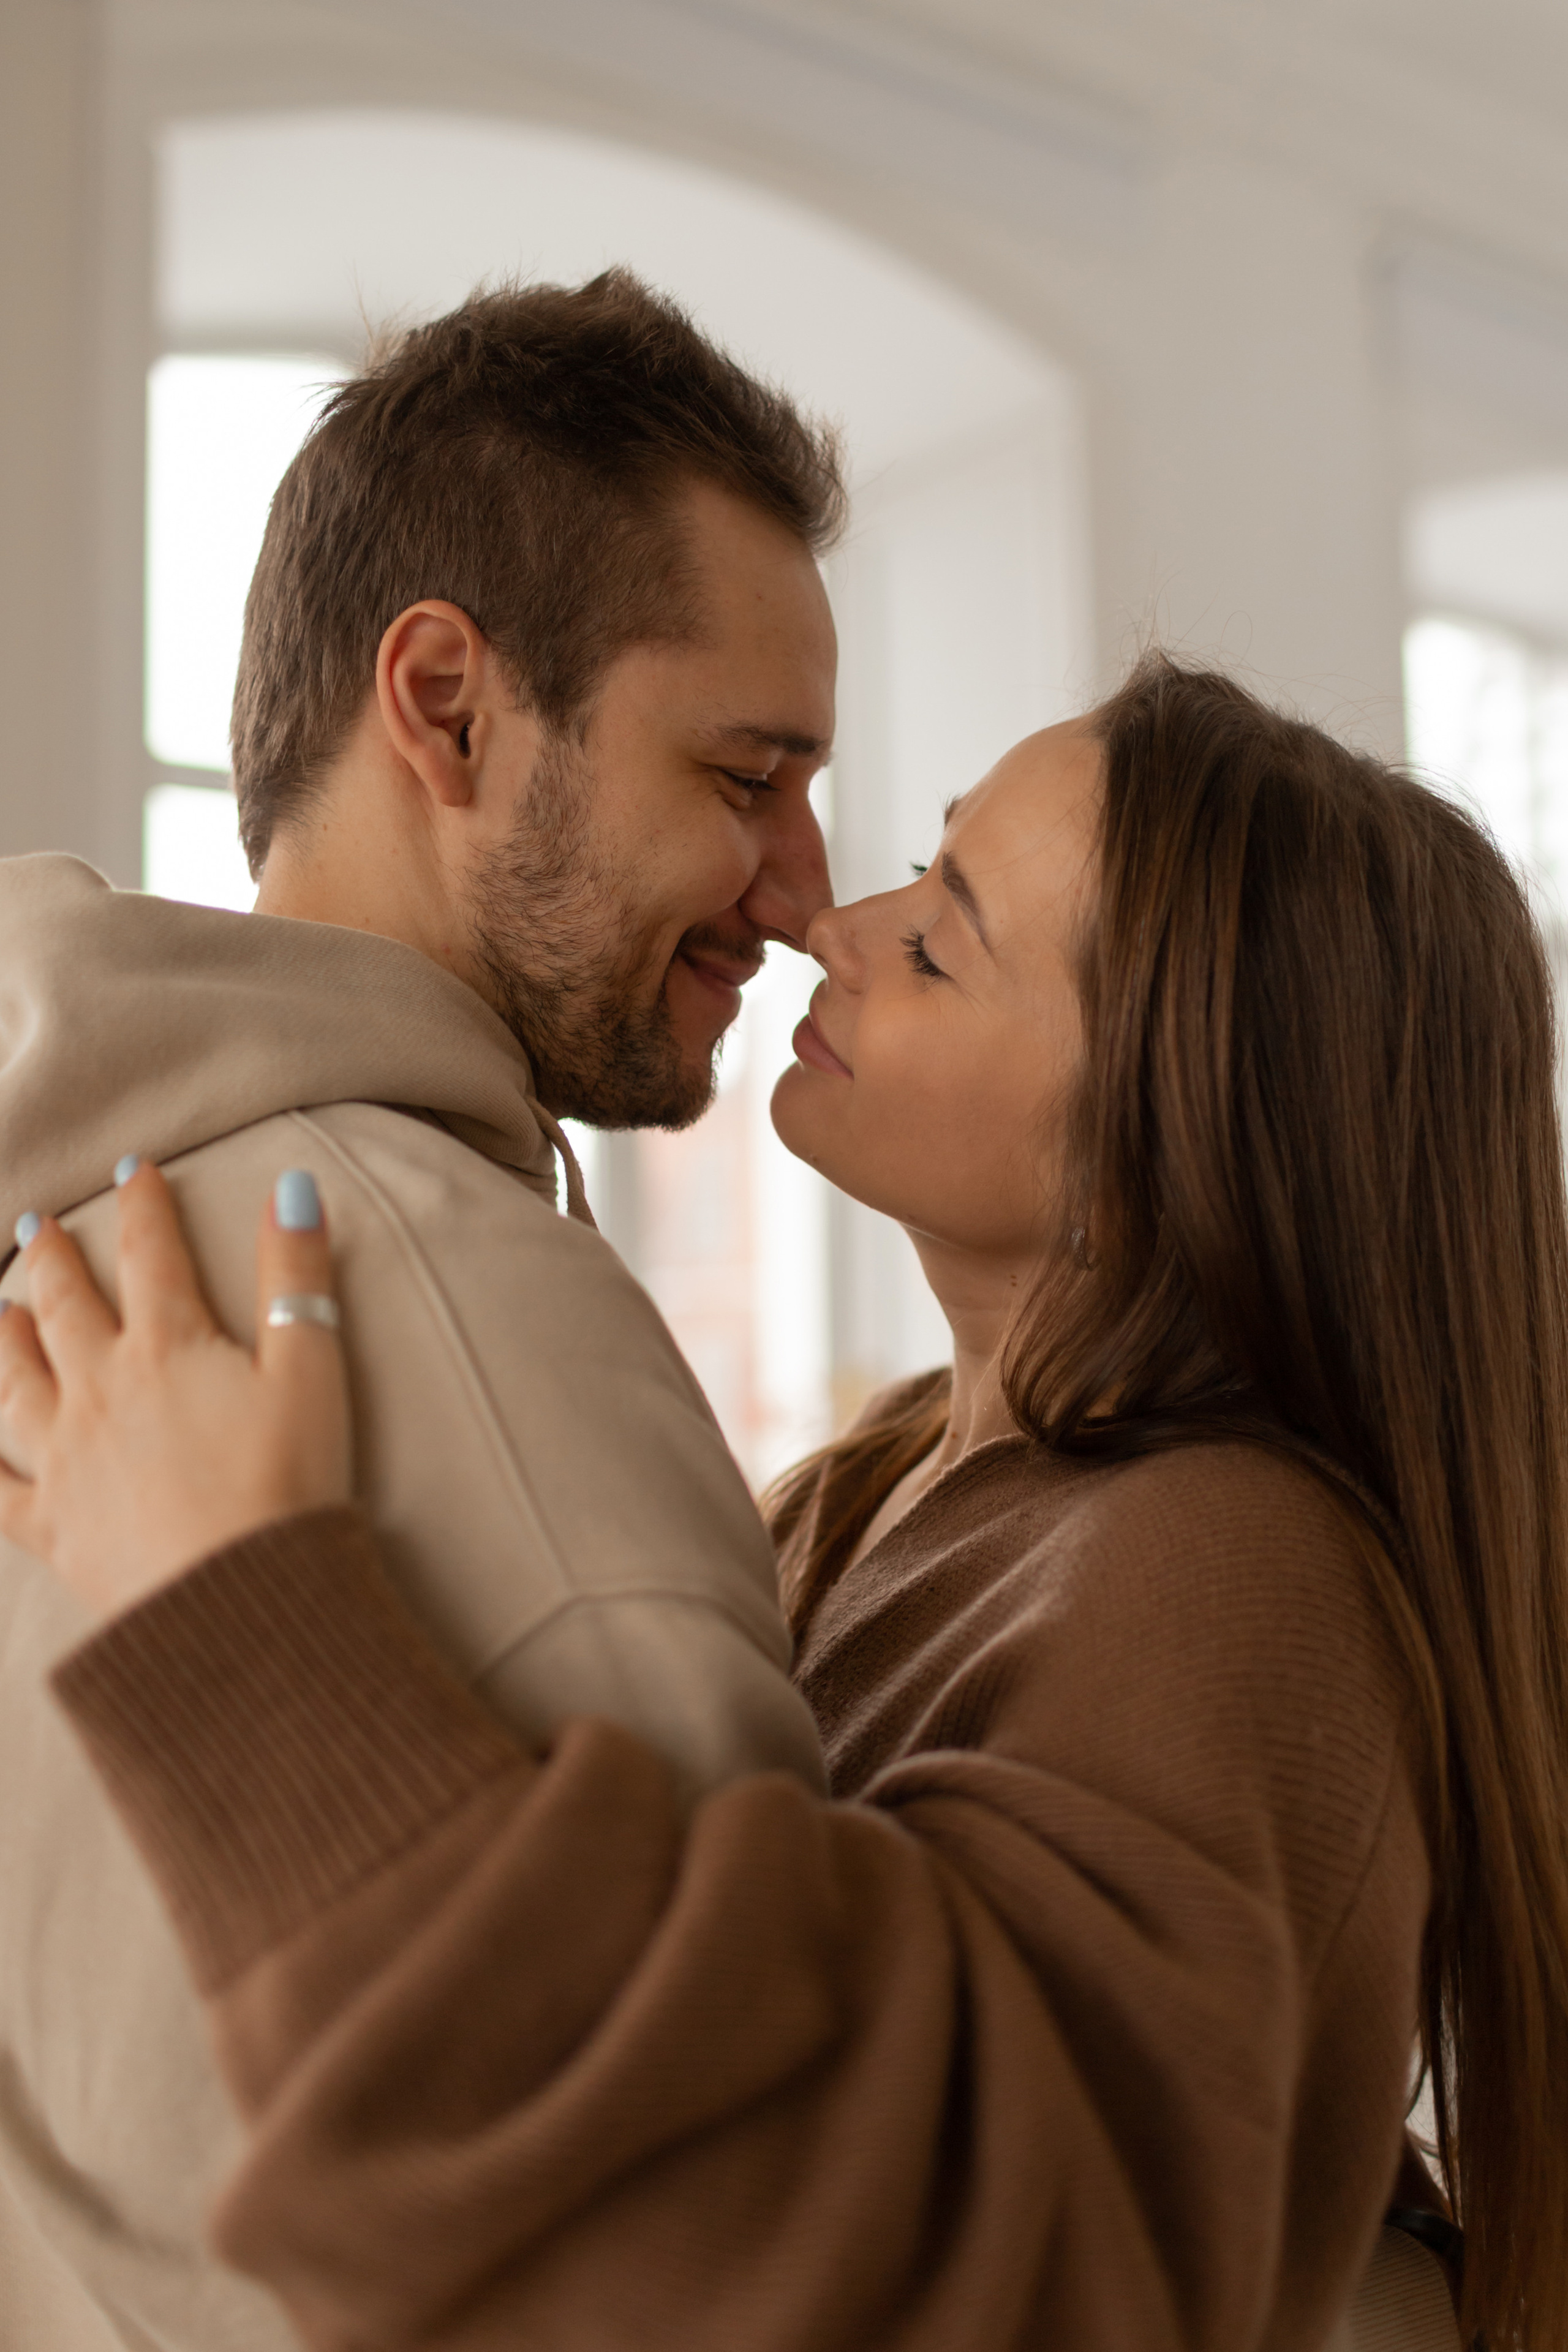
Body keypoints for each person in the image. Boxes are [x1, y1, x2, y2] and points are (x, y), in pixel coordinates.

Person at [7, 655, 1564, 2350]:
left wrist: (230, 1613)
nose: (836, 923)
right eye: (925, 855)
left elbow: (928, 2261)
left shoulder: (1242, 1573)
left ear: (1156, 1146)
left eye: (944, 936)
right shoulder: (877, 1485)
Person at [0, 269, 844, 2352]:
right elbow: (780, 2254)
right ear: (448, 704)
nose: (810, 889)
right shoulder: (473, 1327)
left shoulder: (63, 1222)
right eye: (748, 775)